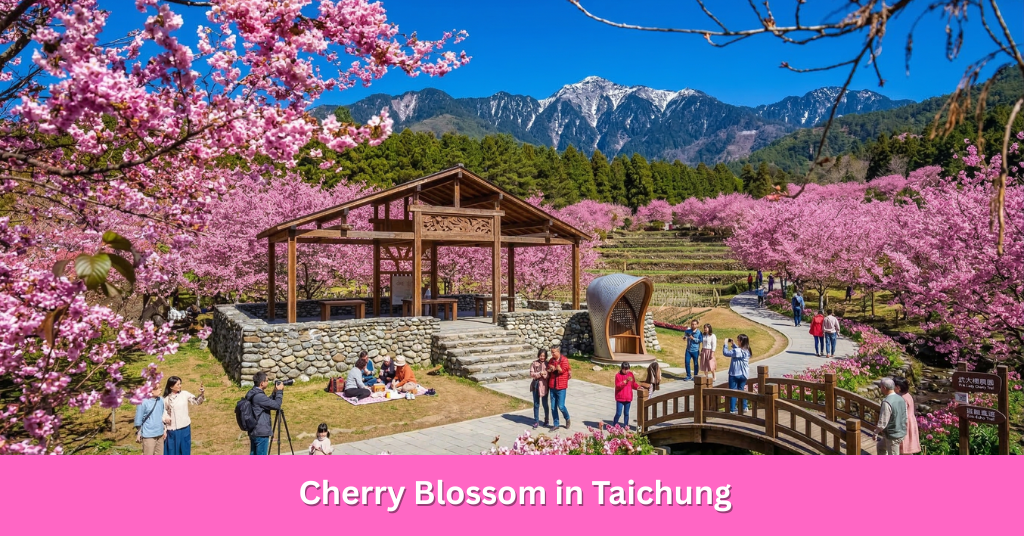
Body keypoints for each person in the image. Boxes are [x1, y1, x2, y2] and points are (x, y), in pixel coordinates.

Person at [161, 376, 204, 455]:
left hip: (184, 428)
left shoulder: (184, 394)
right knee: (172, 451)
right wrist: (165, 418)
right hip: (172, 430)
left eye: (180, 384)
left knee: (185, 451)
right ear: (171, 386)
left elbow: (197, 401)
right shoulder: (165, 399)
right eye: (178, 384)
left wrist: (201, 394)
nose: (180, 386)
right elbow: (163, 412)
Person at [245, 371, 284, 455]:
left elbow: (266, 402)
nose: (268, 382)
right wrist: (280, 392)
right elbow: (277, 405)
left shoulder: (252, 392)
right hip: (261, 432)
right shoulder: (259, 396)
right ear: (262, 383)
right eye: (267, 380)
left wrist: (274, 393)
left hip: (254, 430)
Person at [874, 378, 907, 455]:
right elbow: (905, 416)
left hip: (893, 434)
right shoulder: (901, 398)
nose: (880, 389)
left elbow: (883, 421)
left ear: (884, 388)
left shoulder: (887, 402)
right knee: (880, 447)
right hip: (899, 431)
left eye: (881, 387)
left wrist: (875, 433)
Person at [722, 335, 751, 413]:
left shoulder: (737, 351)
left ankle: (732, 409)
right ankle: (745, 407)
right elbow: (739, 351)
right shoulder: (747, 350)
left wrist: (725, 344)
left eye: (738, 340)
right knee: (741, 390)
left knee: (733, 391)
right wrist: (733, 344)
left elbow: (726, 353)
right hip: (744, 374)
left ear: (741, 341)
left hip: (735, 373)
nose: (737, 341)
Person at [894, 378, 921, 455]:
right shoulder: (907, 395)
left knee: (903, 447)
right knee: (908, 446)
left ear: (898, 388)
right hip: (911, 421)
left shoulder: (901, 398)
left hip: (905, 423)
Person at [546, 345, 571, 429]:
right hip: (552, 386)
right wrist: (551, 369)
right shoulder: (551, 360)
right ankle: (556, 424)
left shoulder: (564, 360)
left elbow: (563, 370)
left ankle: (567, 418)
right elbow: (548, 370)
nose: (552, 354)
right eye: (551, 352)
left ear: (558, 351)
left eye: (553, 352)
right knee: (553, 407)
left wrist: (558, 368)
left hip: (561, 387)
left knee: (561, 406)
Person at [612, 363, 640, 428]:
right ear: (622, 369)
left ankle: (626, 425)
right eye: (625, 369)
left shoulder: (630, 374)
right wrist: (625, 382)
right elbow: (618, 386)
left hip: (628, 397)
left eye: (628, 369)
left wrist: (638, 387)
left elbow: (633, 384)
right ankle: (615, 424)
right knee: (618, 413)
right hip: (620, 398)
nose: (627, 371)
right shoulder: (618, 375)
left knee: (626, 413)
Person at [529, 349, 550, 429]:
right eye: (541, 356)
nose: (542, 357)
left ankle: (546, 419)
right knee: (536, 404)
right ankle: (536, 421)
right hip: (535, 385)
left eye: (543, 356)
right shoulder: (534, 363)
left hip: (544, 386)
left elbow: (549, 374)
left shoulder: (547, 364)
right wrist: (539, 374)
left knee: (545, 404)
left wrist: (545, 374)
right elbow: (531, 374)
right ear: (538, 355)